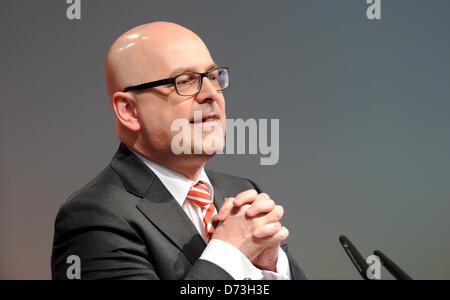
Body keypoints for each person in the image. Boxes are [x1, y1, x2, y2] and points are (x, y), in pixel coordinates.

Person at [51, 21, 306, 280]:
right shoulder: (94, 217)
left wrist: (272, 267)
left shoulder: (241, 191)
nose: (211, 94)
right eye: (185, 81)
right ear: (128, 110)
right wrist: (229, 253)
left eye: (213, 77)